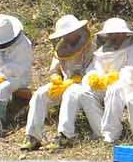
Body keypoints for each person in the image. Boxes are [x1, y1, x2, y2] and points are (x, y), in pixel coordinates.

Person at [57, 18, 133, 148]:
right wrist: (93, 77)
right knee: (76, 90)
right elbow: (93, 69)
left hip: (126, 87)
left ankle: (112, 134)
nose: (113, 36)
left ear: (124, 34)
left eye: (116, 33)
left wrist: (115, 77)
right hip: (103, 87)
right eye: (110, 34)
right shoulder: (101, 52)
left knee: (114, 89)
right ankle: (68, 134)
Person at [21, 14, 93, 151]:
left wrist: (77, 79)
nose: (65, 37)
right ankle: (33, 136)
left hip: (83, 87)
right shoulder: (61, 48)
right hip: (65, 84)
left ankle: (66, 136)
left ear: (76, 31)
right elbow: (54, 69)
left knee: (70, 94)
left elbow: (94, 71)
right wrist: (56, 78)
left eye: (68, 34)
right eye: (63, 34)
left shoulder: (91, 47)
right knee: (40, 94)